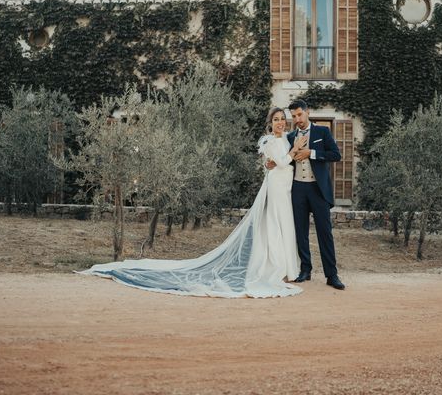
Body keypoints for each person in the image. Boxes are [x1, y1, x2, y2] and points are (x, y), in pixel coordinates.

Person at [79, 107, 308, 298]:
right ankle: (275, 269)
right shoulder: (269, 141)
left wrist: (294, 151)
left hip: (286, 189)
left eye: (282, 120)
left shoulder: (287, 139)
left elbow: (282, 161)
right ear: (270, 123)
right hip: (275, 189)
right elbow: (278, 162)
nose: (280, 123)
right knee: (274, 227)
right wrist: (293, 152)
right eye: (276, 120)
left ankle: (289, 269)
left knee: (286, 226)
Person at [267, 99, 345, 290]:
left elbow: (336, 155)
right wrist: (270, 164)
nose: (297, 119)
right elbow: (281, 157)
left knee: (324, 232)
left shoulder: (322, 132)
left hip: (318, 189)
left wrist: (311, 152)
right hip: (297, 189)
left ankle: (332, 275)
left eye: (300, 114)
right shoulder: (290, 136)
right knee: (300, 232)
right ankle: (305, 270)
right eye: (293, 116)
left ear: (307, 112)